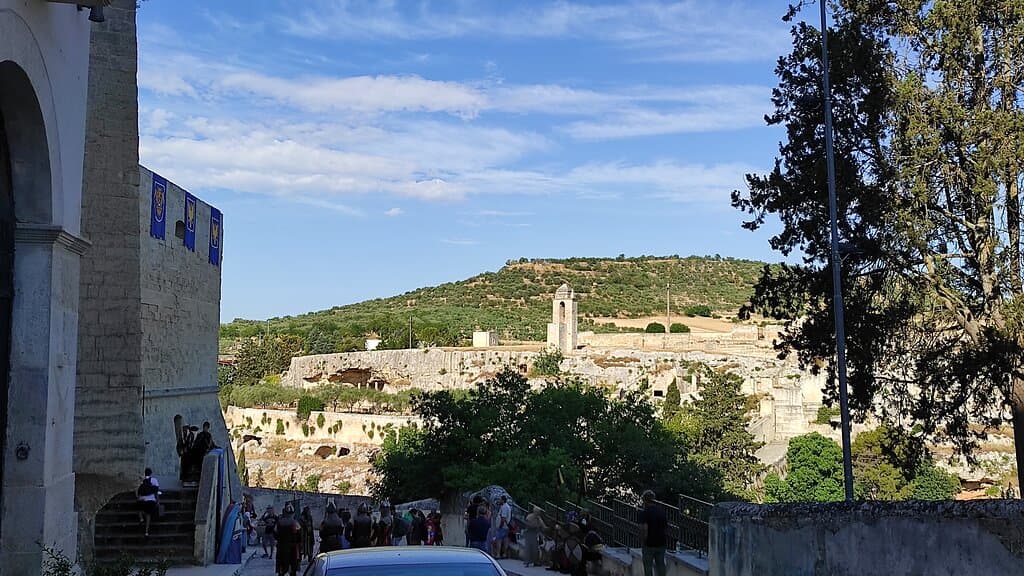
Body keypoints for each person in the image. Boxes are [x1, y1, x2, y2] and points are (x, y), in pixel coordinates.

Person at [638, 490, 667, 576]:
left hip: (649, 543)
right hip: (661, 543)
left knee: (648, 567)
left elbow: (644, 529)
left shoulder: (645, 513)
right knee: (661, 565)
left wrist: (643, 541)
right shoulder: (661, 512)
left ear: (645, 500)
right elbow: (665, 527)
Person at [275, 503, 302, 576]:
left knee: (281, 566)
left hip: (281, 546)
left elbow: (275, 534)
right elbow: (299, 536)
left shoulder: (279, 522)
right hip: (291, 547)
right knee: (292, 566)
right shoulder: (295, 523)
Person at [136, 467, 160, 537]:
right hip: (150, 501)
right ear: (151, 473)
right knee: (148, 515)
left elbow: (138, 493)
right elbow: (156, 492)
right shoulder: (154, 480)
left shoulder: (141, 481)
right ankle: (146, 531)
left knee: (139, 507)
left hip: (141, 500)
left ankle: (141, 518)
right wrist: (158, 501)